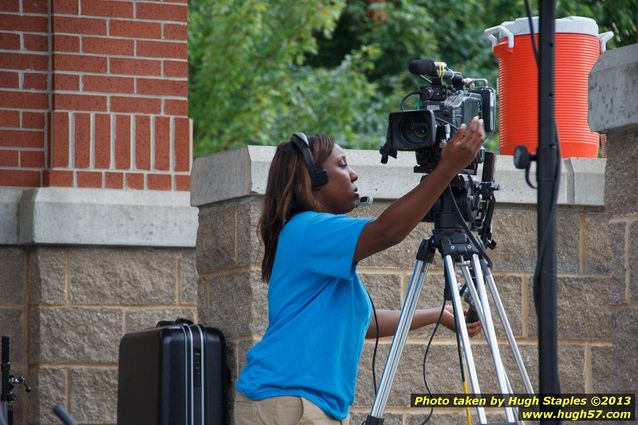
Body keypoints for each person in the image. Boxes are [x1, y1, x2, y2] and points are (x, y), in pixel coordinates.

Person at [235, 117, 486, 425]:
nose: (353, 174)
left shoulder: (313, 240)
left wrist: (436, 313)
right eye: (342, 165)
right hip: (288, 403)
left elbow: (363, 323)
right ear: (312, 179)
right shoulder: (307, 229)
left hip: (297, 403)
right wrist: (447, 169)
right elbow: (386, 232)